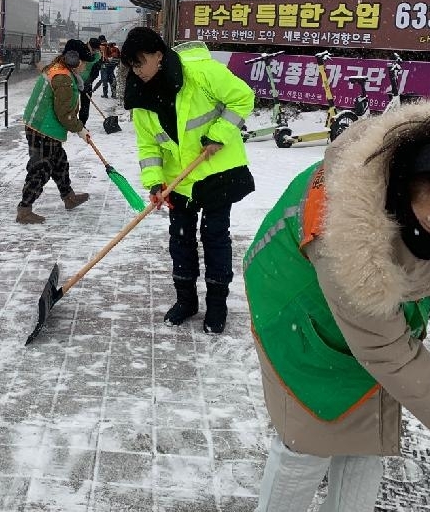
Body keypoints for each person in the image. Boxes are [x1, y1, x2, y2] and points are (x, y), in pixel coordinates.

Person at [243, 102, 430, 511]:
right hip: (297, 311)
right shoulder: (347, 237)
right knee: (309, 439)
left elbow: (426, 259)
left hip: (349, 296)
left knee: (368, 433)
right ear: (403, 190)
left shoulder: (418, 160)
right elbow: (387, 352)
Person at [121, 27, 255, 333]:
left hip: (215, 173)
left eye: (140, 61)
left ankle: (217, 306)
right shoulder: (140, 96)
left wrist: (218, 135)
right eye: (132, 65)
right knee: (180, 240)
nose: (136, 70)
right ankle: (186, 301)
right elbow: (148, 146)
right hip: (177, 181)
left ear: (158, 54)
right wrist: (154, 182)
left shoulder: (201, 73)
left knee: (215, 237)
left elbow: (243, 98)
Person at [18, 42, 92, 224]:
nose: (84, 66)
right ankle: (24, 209)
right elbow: (64, 113)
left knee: (59, 163)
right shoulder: (62, 77)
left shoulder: (61, 70)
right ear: (73, 59)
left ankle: (68, 197)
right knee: (41, 168)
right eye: (83, 62)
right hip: (44, 128)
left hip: (45, 126)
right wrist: (80, 129)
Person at [76, 37, 103, 126]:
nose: (94, 51)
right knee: (71, 103)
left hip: (86, 82)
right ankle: (69, 122)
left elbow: (96, 71)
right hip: (74, 80)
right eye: (93, 49)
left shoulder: (97, 56)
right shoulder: (80, 50)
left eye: (96, 49)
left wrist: (89, 81)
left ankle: (81, 124)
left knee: (85, 105)